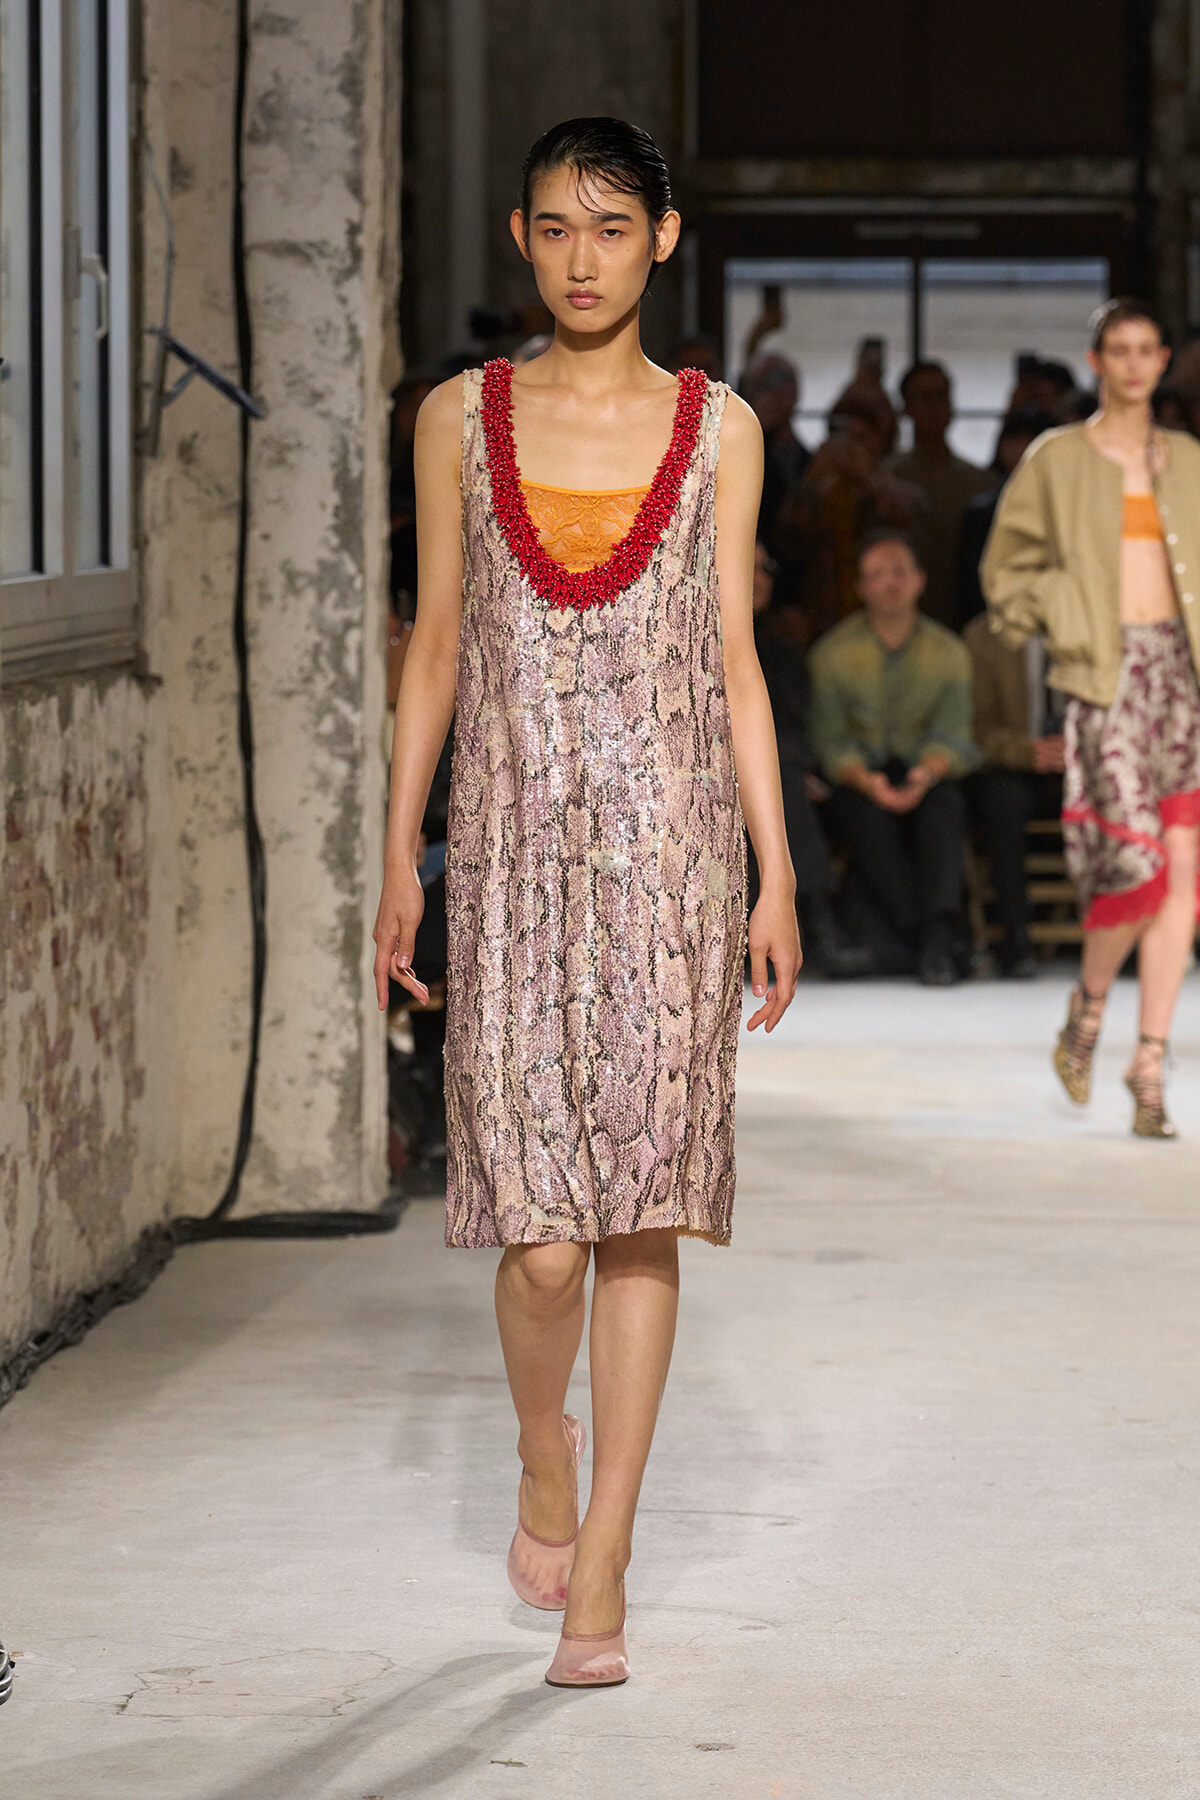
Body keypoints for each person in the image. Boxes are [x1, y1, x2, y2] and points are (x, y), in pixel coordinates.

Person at [372, 116, 800, 1689]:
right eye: (555, 227)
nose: (582, 258)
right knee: (540, 1244)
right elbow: (433, 648)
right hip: (509, 868)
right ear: (520, 236)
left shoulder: (722, 431)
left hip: (675, 863)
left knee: (638, 1217)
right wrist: (399, 852)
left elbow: (735, 663)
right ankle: (540, 1445)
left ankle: (605, 1549)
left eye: (613, 228)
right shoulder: (457, 419)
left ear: (663, 240)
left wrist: (774, 868)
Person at [983, 297, 1200, 1137]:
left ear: (1164, 360)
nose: (1136, 363)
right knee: (1137, 869)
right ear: (1097, 360)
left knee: (1182, 872)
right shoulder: (1058, 458)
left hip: (1181, 675)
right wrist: (1066, 614)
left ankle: (1149, 1062)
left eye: (1149, 349)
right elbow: (1005, 571)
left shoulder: (1187, 459)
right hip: (1106, 676)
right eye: (1121, 349)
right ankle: (1090, 1004)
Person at [810, 529, 980, 985]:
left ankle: (932, 934)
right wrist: (865, 780)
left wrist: (927, 773)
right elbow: (829, 739)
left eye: (900, 572)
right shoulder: (832, 654)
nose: (890, 583)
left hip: (927, 772)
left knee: (944, 809)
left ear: (920, 580)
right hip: (862, 778)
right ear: (860, 586)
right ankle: (930, 938)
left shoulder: (949, 652)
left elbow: (956, 733)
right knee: (863, 817)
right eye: (878, 574)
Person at [753, 542, 873, 978]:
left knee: (794, 784)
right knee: (784, 783)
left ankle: (819, 924)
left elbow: (800, 723)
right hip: (704, 771)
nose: (756, 578)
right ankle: (821, 927)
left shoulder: (783, 651)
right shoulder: (687, 640)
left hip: (778, 772)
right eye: (745, 564)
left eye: (764, 567)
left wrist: (797, 764)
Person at [774, 385, 922, 641]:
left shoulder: (900, 490)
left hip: (887, 620)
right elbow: (786, 545)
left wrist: (869, 483)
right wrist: (810, 482)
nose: (851, 447)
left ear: (879, 440)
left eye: (861, 438)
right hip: (825, 623)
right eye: (843, 438)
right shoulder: (817, 493)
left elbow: (914, 536)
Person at [963, 612, 1065, 976]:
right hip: (1014, 765)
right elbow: (971, 728)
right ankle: (1014, 937)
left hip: (1084, 764)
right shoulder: (983, 636)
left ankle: (1128, 933)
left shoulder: (1091, 624)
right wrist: (1027, 751)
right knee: (1001, 799)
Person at [887, 361, 996, 629]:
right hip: (902, 616)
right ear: (907, 408)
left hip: (966, 618)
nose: (935, 407)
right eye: (925, 398)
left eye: (942, 396)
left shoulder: (981, 482)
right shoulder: (887, 478)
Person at [957, 407, 1058, 629]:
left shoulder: (1067, 510)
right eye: (1014, 440)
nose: (1022, 449)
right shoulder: (982, 512)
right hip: (994, 623)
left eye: (1032, 440)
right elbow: (970, 584)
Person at [741, 352, 809, 548]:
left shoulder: (804, 458)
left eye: (785, 383)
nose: (778, 395)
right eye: (766, 386)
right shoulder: (742, 454)